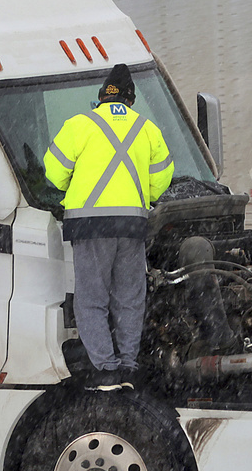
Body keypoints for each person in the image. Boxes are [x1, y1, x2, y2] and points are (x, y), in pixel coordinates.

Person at [44, 64, 174, 390]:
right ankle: (129, 367)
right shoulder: (147, 129)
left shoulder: (79, 125)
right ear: (130, 99)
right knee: (130, 298)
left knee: (91, 300)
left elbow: (53, 173)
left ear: (101, 96)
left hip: (89, 226)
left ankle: (105, 371)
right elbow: (160, 182)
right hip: (132, 225)